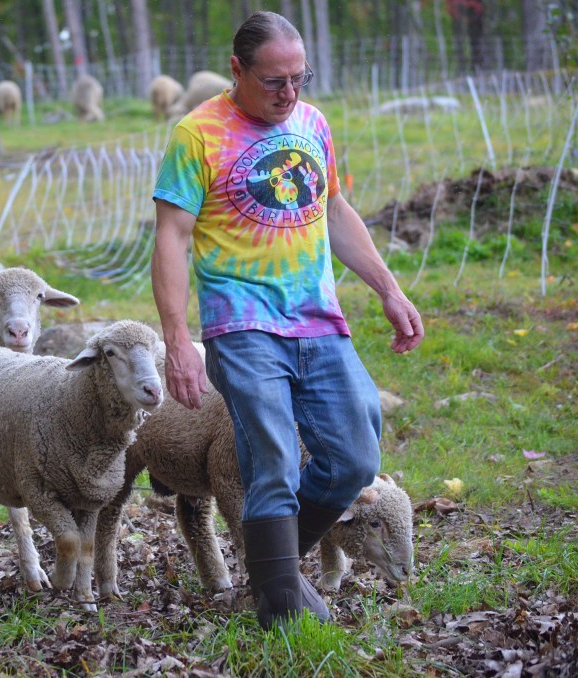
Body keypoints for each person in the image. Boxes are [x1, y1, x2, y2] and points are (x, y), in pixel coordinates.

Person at [150, 11, 424, 629]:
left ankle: (271, 566)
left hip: (319, 321)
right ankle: (284, 616)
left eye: (300, 78)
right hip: (242, 326)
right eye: (274, 81)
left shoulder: (311, 122)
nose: (289, 93)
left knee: (355, 455)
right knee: (271, 460)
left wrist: (388, 289)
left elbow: (334, 209)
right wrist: (177, 340)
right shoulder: (197, 135)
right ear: (237, 69)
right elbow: (171, 237)